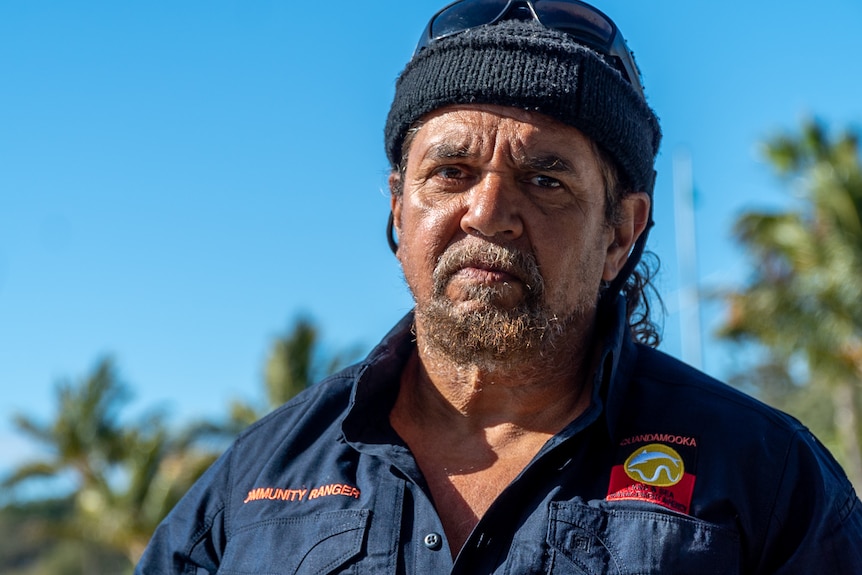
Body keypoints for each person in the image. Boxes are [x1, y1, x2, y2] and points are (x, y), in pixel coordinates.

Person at [136, 1, 862, 573]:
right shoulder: (255, 481)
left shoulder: (766, 475)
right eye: (450, 173)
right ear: (398, 207)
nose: (487, 212)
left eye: (546, 180)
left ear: (620, 231)